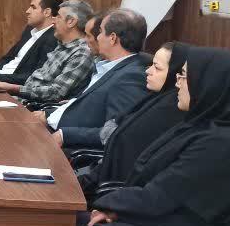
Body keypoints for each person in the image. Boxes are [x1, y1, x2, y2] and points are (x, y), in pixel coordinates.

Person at [75, 47, 230, 226]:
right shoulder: (204, 126)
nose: (177, 83)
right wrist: (114, 208)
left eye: (183, 76)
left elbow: (160, 196)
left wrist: (111, 206)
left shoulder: (225, 144)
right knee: (57, 225)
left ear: (210, 84)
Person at [77, 42, 189, 194]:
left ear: (174, 73)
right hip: (100, 178)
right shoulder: (156, 99)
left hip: (111, 192)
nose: (148, 71)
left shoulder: (168, 111)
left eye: (157, 68)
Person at [42, 8, 151, 148]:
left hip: (68, 145)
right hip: (52, 126)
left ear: (112, 38)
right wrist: (48, 115)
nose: (97, 37)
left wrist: (65, 135)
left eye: (100, 31)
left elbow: (116, 132)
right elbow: (88, 106)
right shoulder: (109, 66)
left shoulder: (131, 77)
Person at [0, 0, 95, 102]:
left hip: (36, 107)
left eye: (58, 16)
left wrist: (13, 88)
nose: (53, 21)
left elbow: (56, 93)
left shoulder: (81, 53)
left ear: (71, 21)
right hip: (23, 99)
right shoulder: (62, 45)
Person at [0, 0, 61, 85]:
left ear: (47, 12)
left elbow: (36, 76)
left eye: (33, 7)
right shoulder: (29, 29)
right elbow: (9, 57)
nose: (27, 11)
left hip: (10, 86)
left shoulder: (54, 38)